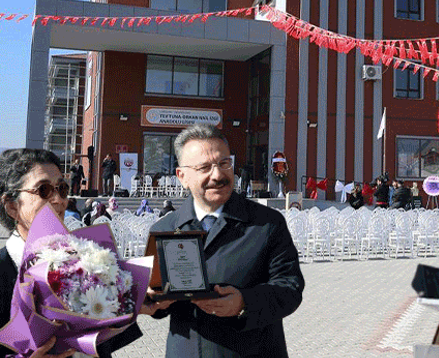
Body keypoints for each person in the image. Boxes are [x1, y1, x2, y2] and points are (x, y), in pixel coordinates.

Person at [143, 123, 304, 358]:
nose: (217, 175)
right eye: (204, 168)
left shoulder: (267, 223)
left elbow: (290, 288)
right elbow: (158, 300)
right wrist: (150, 299)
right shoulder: (165, 229)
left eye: (224, 163)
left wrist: (243, 303)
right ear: (182, 176)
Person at [0, 148, 141, 358]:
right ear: (12, 207)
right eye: (44, 190)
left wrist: (131, 303)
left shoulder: (88, 258)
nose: (59, 200)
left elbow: (105, 338)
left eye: (63, 189)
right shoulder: (3, 269)